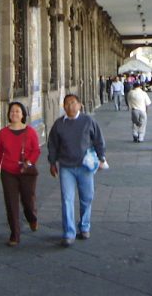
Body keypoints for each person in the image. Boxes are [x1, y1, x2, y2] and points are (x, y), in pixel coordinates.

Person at [48, 94, 107, 246]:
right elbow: (52, 144)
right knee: (67, 199)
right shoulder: (59, 124)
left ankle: (84, 226)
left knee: (86, 198)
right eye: (67, 103)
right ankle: (69, 232)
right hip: (66, 167)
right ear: (63, 107)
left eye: (73, 103)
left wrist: (101, 157)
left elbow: (98, 139)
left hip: (85, 166)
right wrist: (52, 162)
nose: (70, 106)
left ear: (80, 105)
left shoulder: (88, 121)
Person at [0, 101, 40, 246]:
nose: (14, 114)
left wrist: (29, 162)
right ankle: (15, 234)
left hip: (26, 171)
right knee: (11, 203)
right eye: (12, 111)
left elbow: (36, 150)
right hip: (8, 172)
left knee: (27, 201)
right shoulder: (3, 133)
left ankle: (32, 218)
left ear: (23, 114)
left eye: (17, 111)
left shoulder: (30, 132)